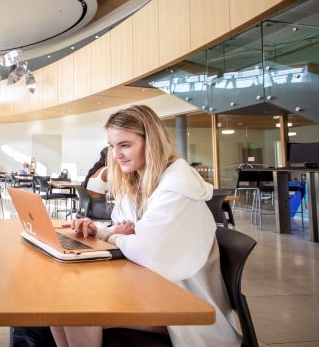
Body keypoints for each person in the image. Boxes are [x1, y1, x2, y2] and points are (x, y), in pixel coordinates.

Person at [52, 105, 241, 347]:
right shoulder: (138, 182)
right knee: (58, 301)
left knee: (77, 306)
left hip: (187, 309)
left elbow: (144, 250)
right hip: (153, 289)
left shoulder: (177, 186)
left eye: (125, 145)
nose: (116, 154)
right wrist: (100, 230)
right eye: (112, 146)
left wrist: (112, 236)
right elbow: (126, 231)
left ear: (150, 142)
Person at [81, 147, 110, 219]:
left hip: (90, 208)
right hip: (99, 209)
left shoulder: (97, 169)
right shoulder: (107, 170)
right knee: (127, 212)